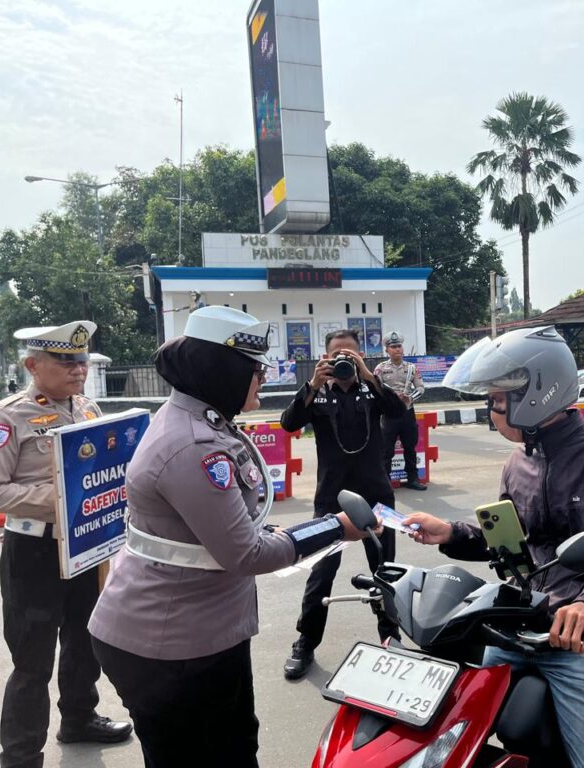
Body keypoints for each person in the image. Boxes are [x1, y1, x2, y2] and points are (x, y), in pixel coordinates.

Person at [88, 306, 373, 768]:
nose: (261, 378)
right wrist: (334, 527)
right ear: (223, 370)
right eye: (254, 369)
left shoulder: (201, 418)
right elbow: (246, 553)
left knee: (234, 744)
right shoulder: (195, 445)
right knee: (210, 756)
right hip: (173, 644)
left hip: (192, 629)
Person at [403, 326, 584, 768]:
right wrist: (450, 532)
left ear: (537, 393)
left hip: (582, 642)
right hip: (517, 628)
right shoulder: (518, 462)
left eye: (498, 400)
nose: (492, 409)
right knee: (445, 737)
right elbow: (510, 541)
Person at [0, 321, 132, 768]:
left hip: (86, 548)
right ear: (32, 364)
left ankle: (79, 718)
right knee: (32, 661)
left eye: (81, 360)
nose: (77, 369)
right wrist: (64, 501)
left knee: (85, 640)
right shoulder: (6, 417)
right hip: (34, 553)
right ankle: (21, 756)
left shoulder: (87, 408)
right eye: (65, 360)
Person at [280, 328, 405, 680]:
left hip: (375, 495)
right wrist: (312, 385)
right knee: (321, 572)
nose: (344, 360)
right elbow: (288, 423)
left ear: (361, 355)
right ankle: (306, 641)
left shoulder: (371, 388)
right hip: (331, 498)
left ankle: (390, 636)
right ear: (325, 358)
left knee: (384, 570)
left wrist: (369, 375)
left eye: (351, 354)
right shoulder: (318, 393)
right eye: (338, 355)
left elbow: (397, 411)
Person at [373, 331, 427, 491]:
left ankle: (412, 478)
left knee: (410, 448)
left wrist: (409, 398)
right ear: (387, 350)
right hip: (389, 414)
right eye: (393, 347)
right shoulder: (380, 368)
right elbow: (376, 389)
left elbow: (421, 388)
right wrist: (390, 396)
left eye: (399, 346)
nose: (397, 349)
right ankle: (385, 482)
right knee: (386, 450)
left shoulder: (411, 368)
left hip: (407, 412)